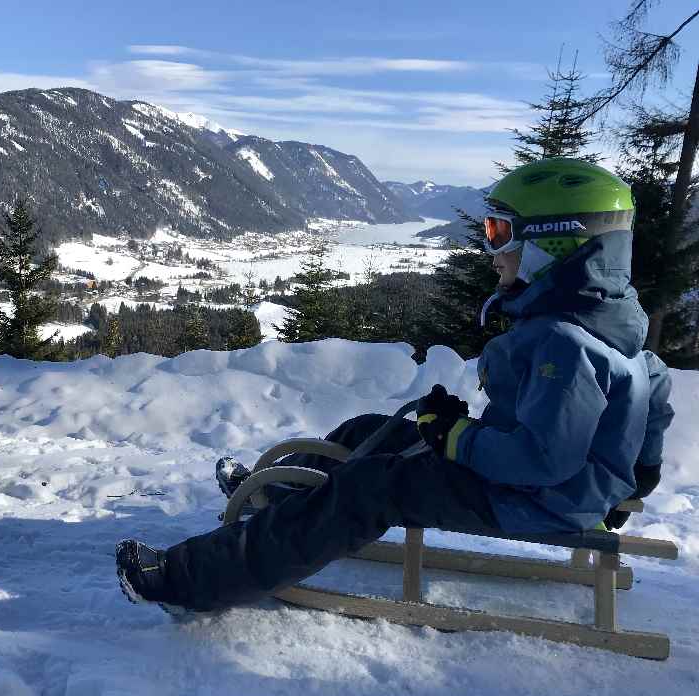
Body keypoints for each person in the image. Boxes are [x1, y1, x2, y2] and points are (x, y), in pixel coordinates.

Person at [115, 158, 675, 613]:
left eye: (500, 233)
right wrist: (632, 482)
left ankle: (189, 580)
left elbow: (539, 461)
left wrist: (454, 437)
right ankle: (291, 503)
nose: (491, 250)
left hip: (541, 499)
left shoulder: (565, 341)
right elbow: (654, 393)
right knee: (372, 432)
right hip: (556, 488)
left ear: (554, 242)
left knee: (375, 485)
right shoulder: (613, 322)